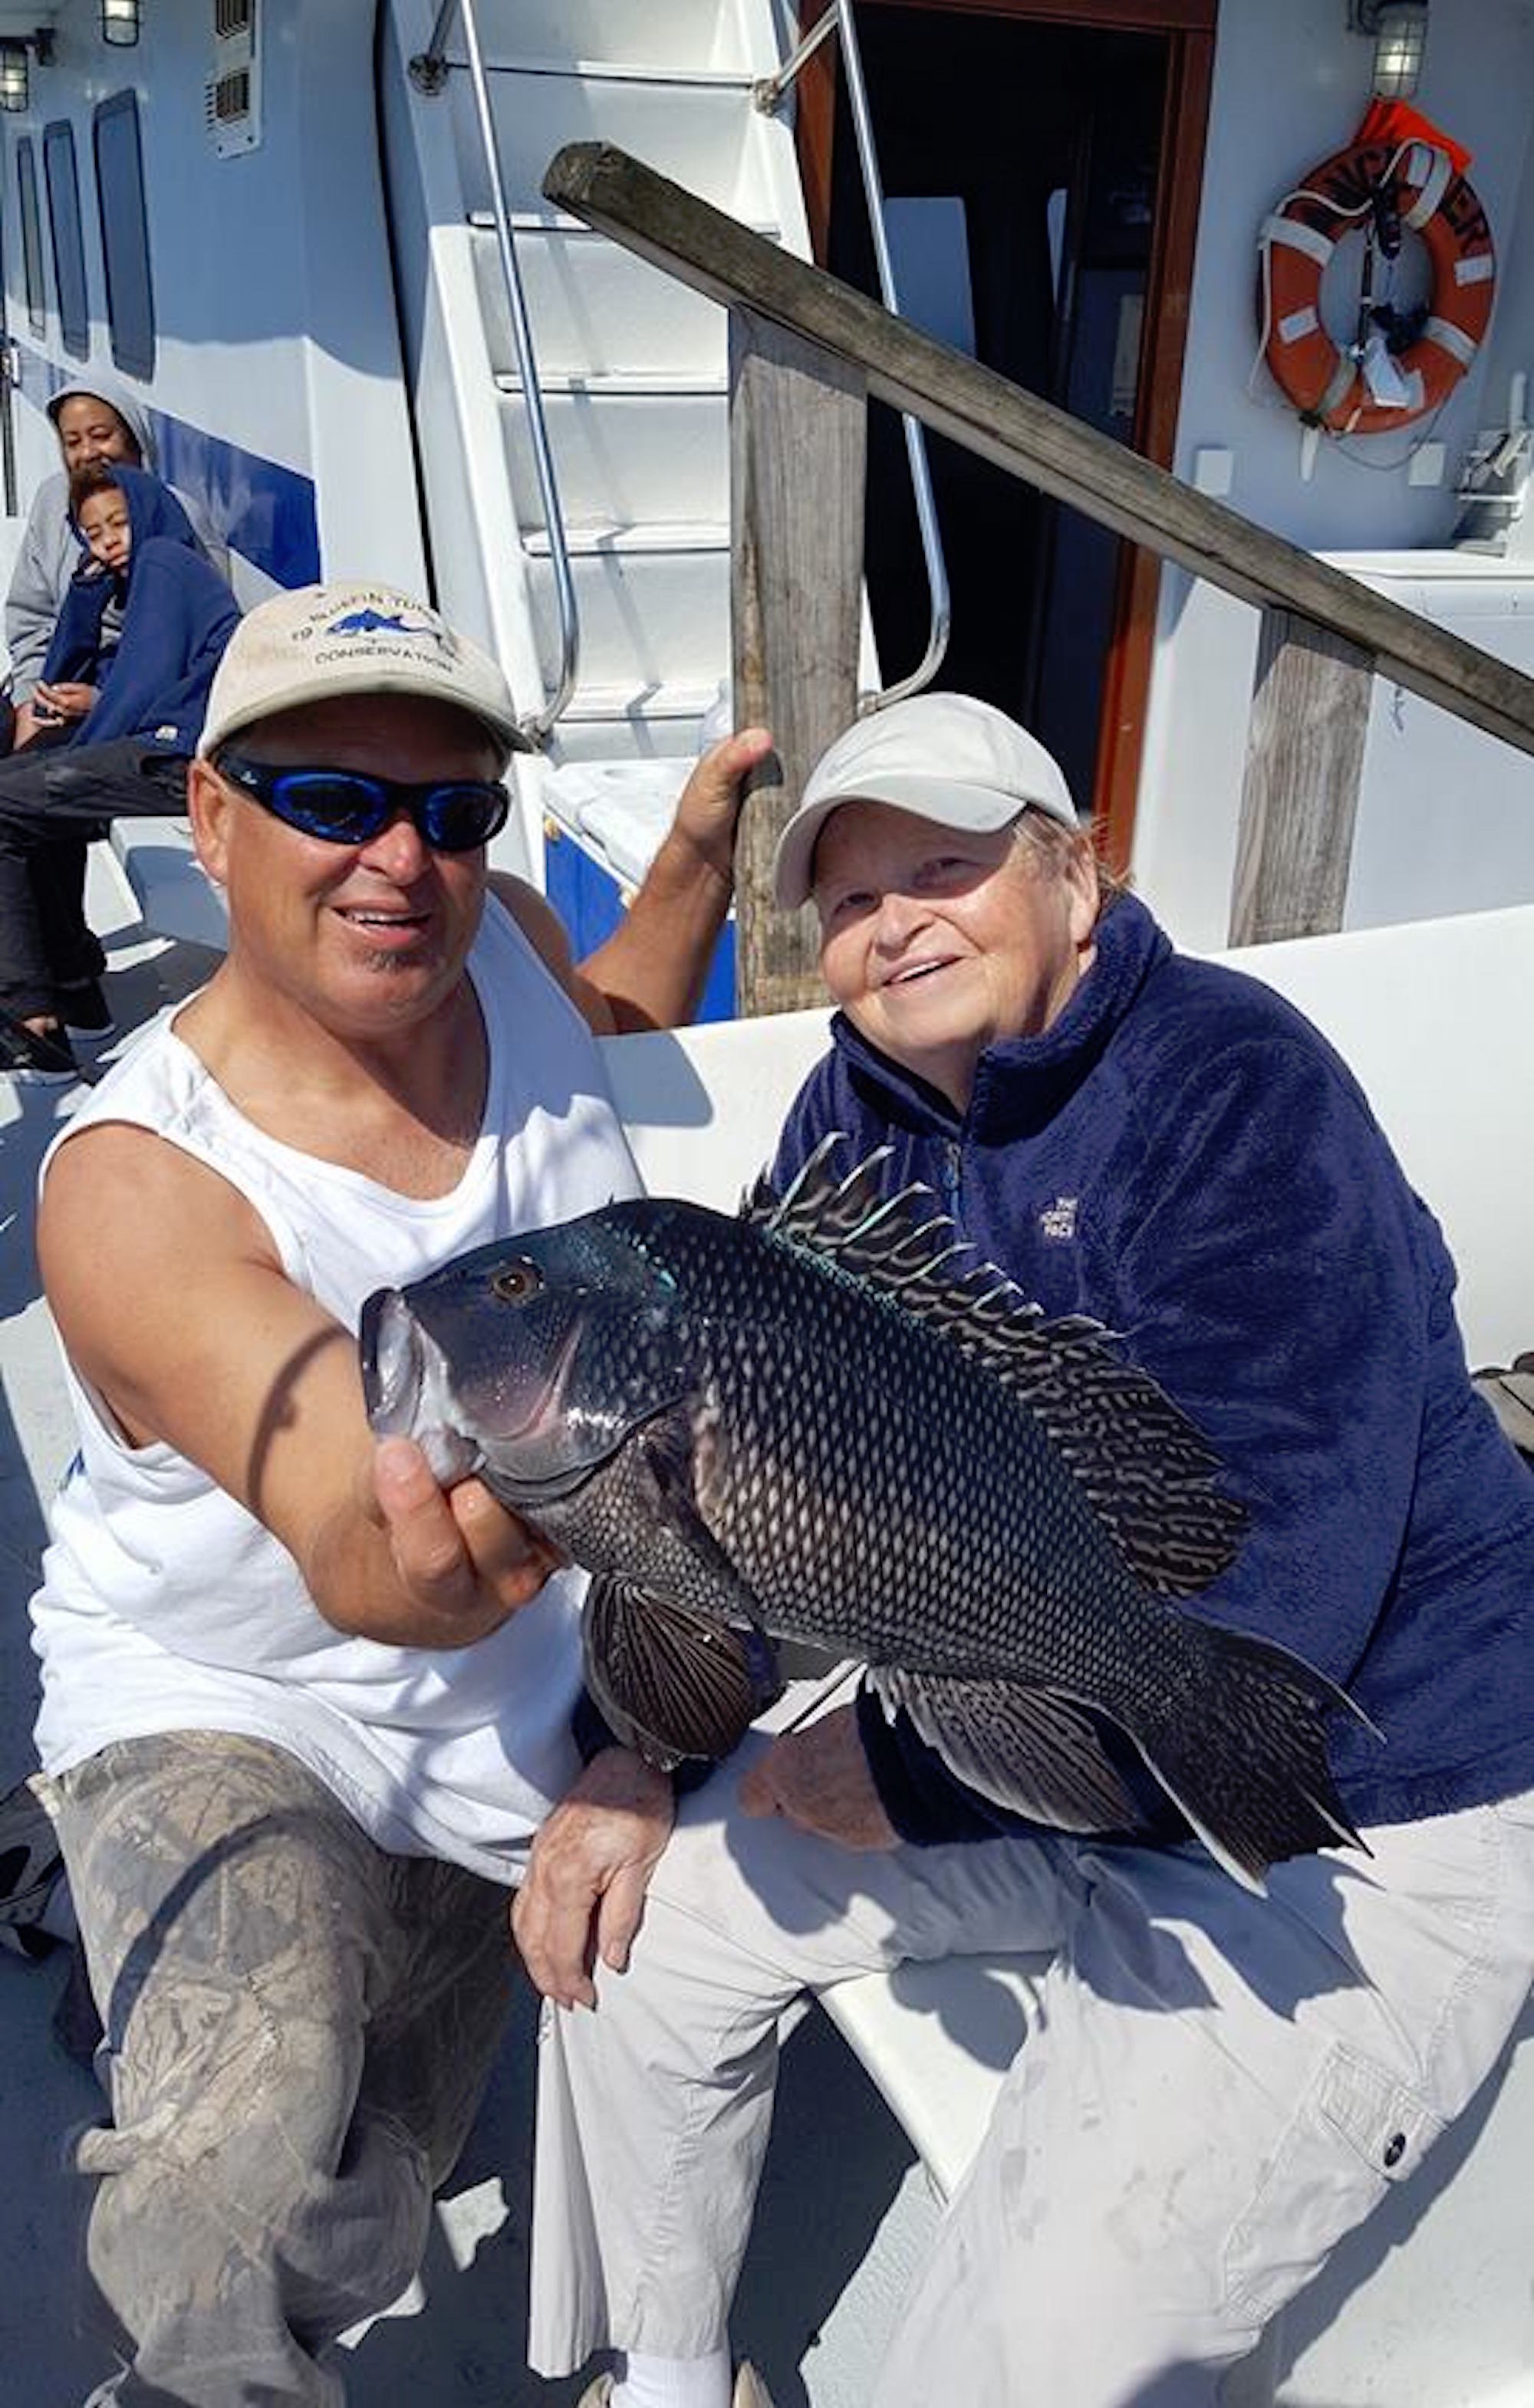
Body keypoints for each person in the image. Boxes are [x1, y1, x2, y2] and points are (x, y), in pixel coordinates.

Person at [522, 690, 1534, 2408]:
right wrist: (640, 1750)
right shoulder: (851, 1120)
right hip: (1028, 1741)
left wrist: (916, 1778)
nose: (894, 923)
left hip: (1348, 1795)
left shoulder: (1236, 1086)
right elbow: (752, 1490)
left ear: (1077, 873)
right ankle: (672, 2379)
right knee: (640, 1932)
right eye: (852, 897)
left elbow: (1285, 1577)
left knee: (1013, 2359)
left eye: (945, 867)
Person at [30, 581, 768, 2406]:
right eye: (331, 799)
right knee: (244, 2193)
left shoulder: (495, 934)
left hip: (532, 1699)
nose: (400, 860)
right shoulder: (132, 1186)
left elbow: (605, 1019)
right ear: (211, 816)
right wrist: (486, 1550)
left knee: (394, 2171)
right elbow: (368, 1555)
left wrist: (690, 856)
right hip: (237, 1699)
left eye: (450, 807)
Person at [0, 463, 240, 1077]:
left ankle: (31, 1021)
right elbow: (64, 673)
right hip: (159, 745)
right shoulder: (134, 583)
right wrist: (85, 597)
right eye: (93, 533)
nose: (108, 542)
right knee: (28, 786)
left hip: (183, 758)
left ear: (149, 512)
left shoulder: (165, 562)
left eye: (118, 523)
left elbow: (144, 694)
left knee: (13, 800)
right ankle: (75, 990)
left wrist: (85, 731)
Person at [4, 377, 225, 742]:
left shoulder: (181, 519)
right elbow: (31, 618)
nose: (88, 452)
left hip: (125, 714)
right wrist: (30, 699)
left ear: (134, 439)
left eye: (101, 435)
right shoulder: (52, 501)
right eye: (72, 442)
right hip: (55, 686)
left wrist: (103, 702)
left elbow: (197, 652)